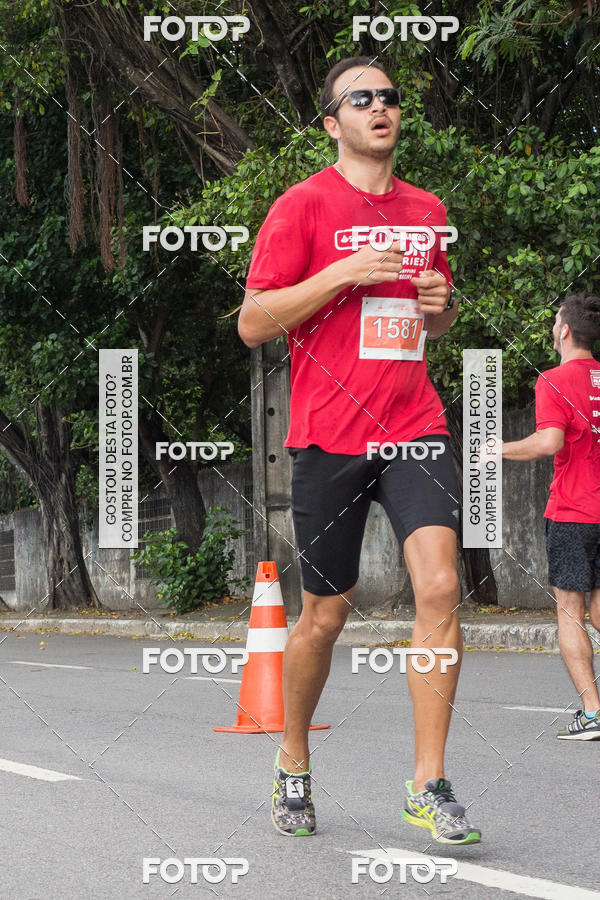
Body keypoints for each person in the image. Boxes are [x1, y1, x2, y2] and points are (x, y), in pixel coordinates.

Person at [238, 56, 481, 845]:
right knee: (324, 615)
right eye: (361, 98)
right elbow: (254, 321)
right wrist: (342, 271)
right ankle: (294, 755)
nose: (381, 107)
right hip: (329, 435)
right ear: (331, 122)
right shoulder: (301, 206)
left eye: (390, 97)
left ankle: (429, 782)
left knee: (441, 587)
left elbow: (429, 321)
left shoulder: (426, 209)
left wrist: (440, 307)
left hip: (414, 424)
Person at [502, 293, 600, 740]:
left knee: (571, 611)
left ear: (564, 330)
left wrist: (496, 449)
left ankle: (593, 714)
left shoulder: (555, 379)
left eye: (555, 321)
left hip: (574, 511)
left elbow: (548, 442)